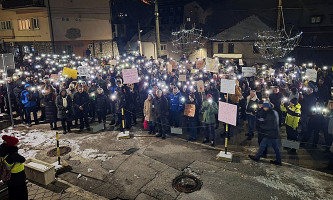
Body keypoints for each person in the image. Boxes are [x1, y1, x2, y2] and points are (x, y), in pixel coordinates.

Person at [0, 135, 28, 200]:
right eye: (16, 143)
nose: (17, 145)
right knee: (22, 193)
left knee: (12, 192)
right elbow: (23, 159)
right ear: (12, 145)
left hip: (9, 177)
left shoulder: (3, 151)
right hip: (17, 176)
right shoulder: (12, 155)